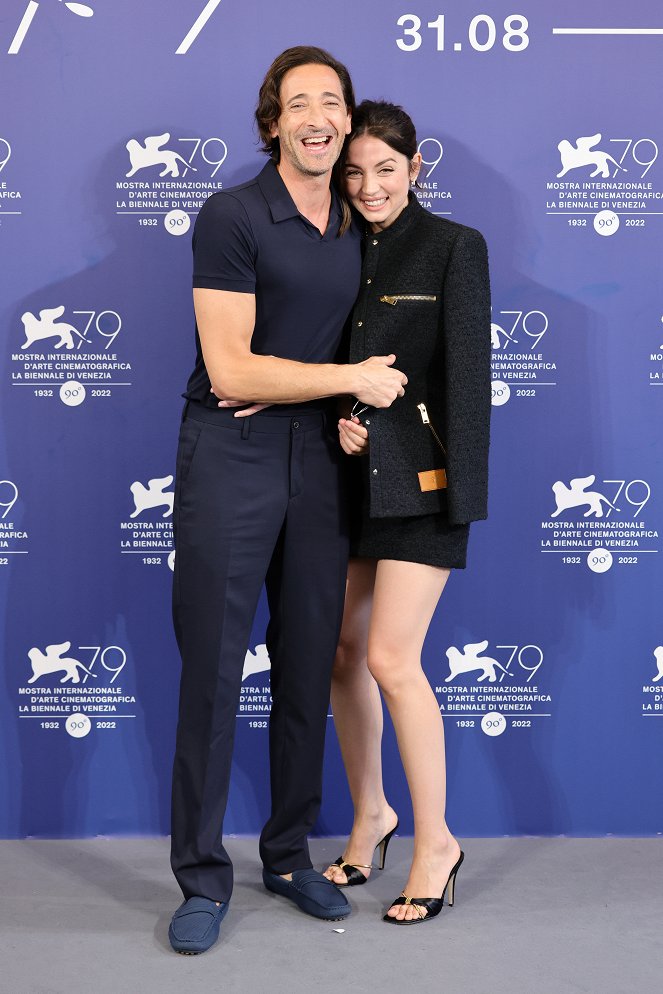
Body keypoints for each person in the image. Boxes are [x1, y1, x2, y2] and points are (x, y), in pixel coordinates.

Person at [168, 54, 407, 955]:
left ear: (348, 122)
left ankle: (287, 854)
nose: (316, 117)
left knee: (310, 661)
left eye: (331, 103)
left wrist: (325, 399)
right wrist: (341, 379)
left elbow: (390, 336)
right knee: (214, 670)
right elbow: (230, 371)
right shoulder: (233, 214)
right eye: (297, 103)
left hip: (321, 454)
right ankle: (200, 876)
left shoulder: (362, 219)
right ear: (273, 123)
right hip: (230, 453)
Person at [322, 101, 491, 925]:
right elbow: (326, 366)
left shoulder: (455, 246)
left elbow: (466, 382)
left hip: (423, 489)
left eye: (384, 169)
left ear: (415, 167)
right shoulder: (335, 245)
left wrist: (463, 500)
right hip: (347, 483)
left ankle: (436, 843)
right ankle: (370, 818)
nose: (368, 185)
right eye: (353, 171)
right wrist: (341, 422)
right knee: (343, 654)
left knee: (392, 658)